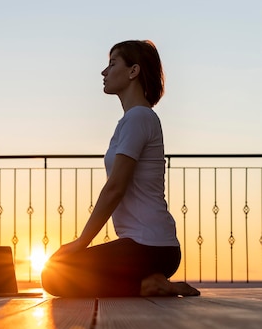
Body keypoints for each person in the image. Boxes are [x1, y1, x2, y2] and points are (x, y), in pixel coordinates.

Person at [40, 40, 200, 297]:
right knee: (56, 273)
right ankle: (148, 283)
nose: (104, 72)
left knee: (54, 276)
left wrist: (82, 242)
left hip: (150, 246)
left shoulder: (139, 117)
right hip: (148, 247)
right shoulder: (132, 119)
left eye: (112, 64)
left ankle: (151, 285)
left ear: (133, 71)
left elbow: (115, 188)